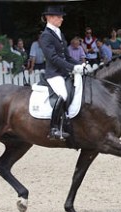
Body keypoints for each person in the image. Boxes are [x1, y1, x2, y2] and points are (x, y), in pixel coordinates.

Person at [39, 5, 82, 140]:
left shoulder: (59, 33)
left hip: (64, 72)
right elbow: (53, 58)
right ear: (50, 18)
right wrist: (72, 68)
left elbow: (67, 56)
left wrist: (80, 65)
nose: (62, 19)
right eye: (59, 17)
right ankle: (54, 128)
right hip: (54, 74)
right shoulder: (45, 36)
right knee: (63, 94)